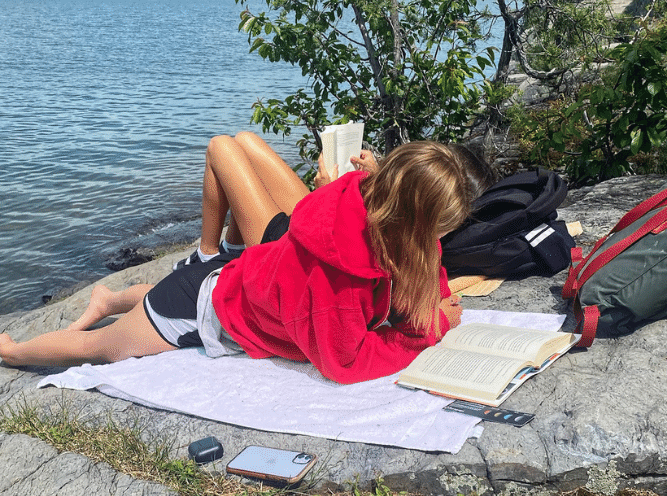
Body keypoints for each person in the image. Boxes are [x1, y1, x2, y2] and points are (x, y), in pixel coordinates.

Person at [0, 132, 474, 383]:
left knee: (170, 295)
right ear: (410, 224)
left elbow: (423, 265)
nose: (440, 243)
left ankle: (108, 299)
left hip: (236, 278)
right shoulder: (339, 275)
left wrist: (433, 299)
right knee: (102, 349)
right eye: (437, 231)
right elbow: (344, 362)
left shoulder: (367, 201)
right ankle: (12, 350)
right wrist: (432, 327)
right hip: (205, 307)